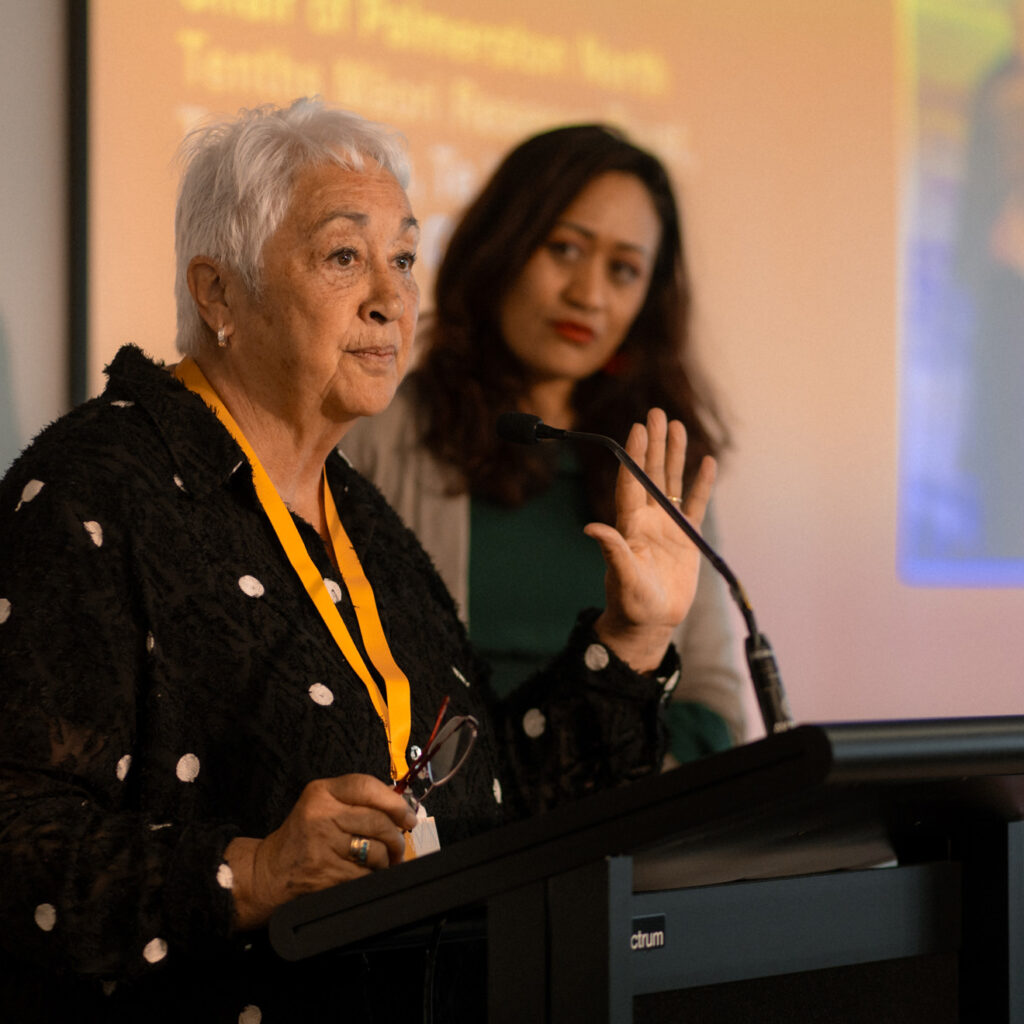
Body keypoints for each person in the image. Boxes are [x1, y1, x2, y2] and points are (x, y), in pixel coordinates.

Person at [0, 100, 716, 1021]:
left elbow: (484, 817)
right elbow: (16, 832)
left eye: (405, 260)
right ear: (219, 293)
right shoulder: (95, 491)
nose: (391, 296)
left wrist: (631, 637)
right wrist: (248, 871)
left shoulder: (365, 524)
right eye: (344, 256)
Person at [343, 124, 745, 765]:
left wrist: (627, 787)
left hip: (623, 836)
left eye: (623, 270)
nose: (588, 295)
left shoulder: (655, 464)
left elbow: (713, 704)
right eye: (564, 249)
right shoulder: (382, 432)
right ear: (502, 246)